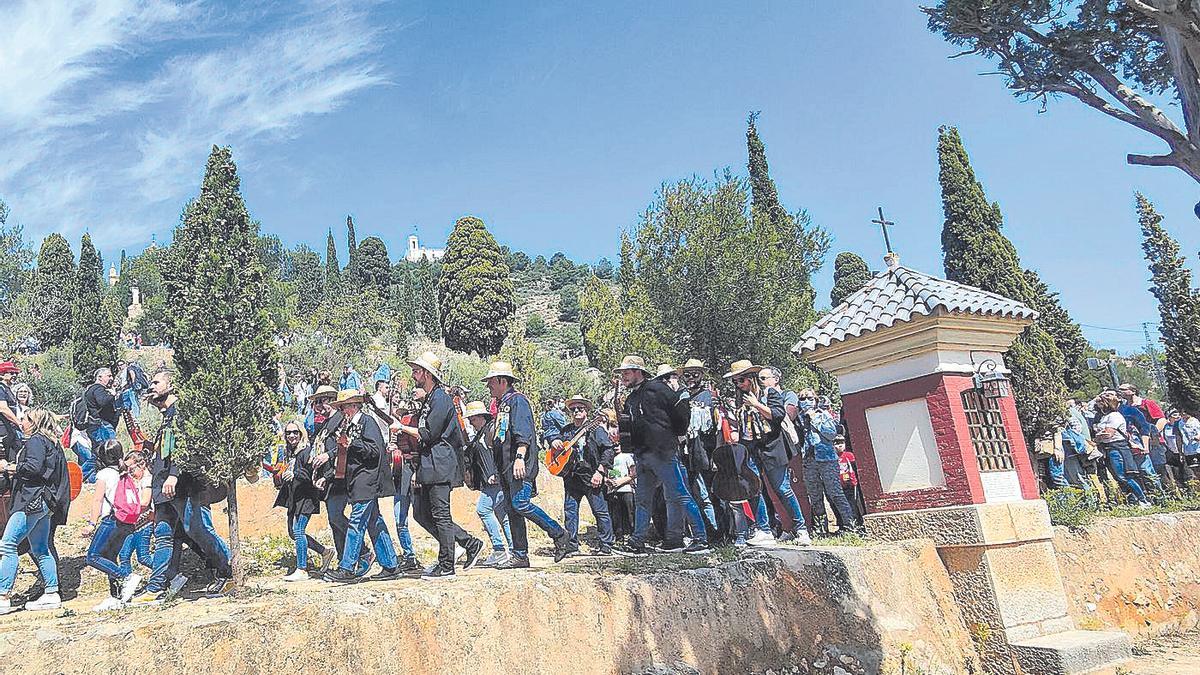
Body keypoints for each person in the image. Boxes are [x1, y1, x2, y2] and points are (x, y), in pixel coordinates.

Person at [131, 370, 234, 606]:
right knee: (165, 535)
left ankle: (228, 571)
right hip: (163, 488)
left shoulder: (181, 414)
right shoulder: (167, 416)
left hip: (183, 486)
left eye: (156, 382)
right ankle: (157, 586)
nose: (152, 387)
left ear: (171, 385)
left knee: (197, 529)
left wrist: (174, 476)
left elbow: (184, 448)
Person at [612, 355, 710, 557]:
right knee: (643, 500)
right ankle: (636, 542)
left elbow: (680, 412)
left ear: (638, 372)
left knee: (680, 495)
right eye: (622, 373)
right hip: (643, 455)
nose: (623, 377)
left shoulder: (657, 388)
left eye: (626, 373)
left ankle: (701, 539)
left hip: (663, 452)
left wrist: (671, 437)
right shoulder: (631, 399)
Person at [396, 352, 483, 579]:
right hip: (429, 464)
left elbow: (429, 433)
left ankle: (447, 564)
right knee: (421, 514)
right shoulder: (430, 400)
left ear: (427, 374)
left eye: (417, 371)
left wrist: (402, 428)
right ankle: (468, 543)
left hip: (440, 464)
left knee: (440, 515)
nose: (414, 375)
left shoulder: (441, 399)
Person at [482, 361, 573, 566]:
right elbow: (501, 439)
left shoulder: (518, 401)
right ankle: (520, 554)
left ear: (502, 381)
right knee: (512, 508)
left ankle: (559, 534)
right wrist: (498, 468)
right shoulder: (503, 404)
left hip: (519, 465)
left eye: (491, 382)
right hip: (506, 466)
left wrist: (520, 457)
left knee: (520, 503)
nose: (488, 386)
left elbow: (523, 432)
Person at [726, 360, 809, 546]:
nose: (738, 384)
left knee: (782, 489)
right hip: (751, 448)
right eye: (735, 381)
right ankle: (764, 529)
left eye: (741, 380)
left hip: (772, 447)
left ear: (751, 378)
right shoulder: (740, 398)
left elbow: (778, 415)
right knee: (754, 488)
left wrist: (756, 404)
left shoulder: (768, 393)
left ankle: (801, 528)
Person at [322, 390, 401, 583]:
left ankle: (347, 567)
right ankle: (391, 566)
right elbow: (344, 449)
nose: (342, 410)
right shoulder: (352, 426)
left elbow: (375, 451)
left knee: (357, 523)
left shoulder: (367, 422)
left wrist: (353, 444)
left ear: (353, 406)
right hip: (358, 481)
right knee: (375, 522)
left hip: (366, 481)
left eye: (344, 407)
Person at [0, 409, 70, 613]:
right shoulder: (52, 442)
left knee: (8, 544)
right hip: (46, 501)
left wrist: (9, 467)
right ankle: (51, 592)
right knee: (40, 547)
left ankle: (3, 595)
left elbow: (33, 468)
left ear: (34, 422)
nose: (21, 422)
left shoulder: (36, 441)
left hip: (31, 500)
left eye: (24, 419)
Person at [84, 442, 151, 611]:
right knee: (109, 557)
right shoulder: (124, 473)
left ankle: (127, 576)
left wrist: (92, 524)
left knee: (93, 556)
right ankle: (116, 596)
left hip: (112, 520)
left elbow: (98, 500)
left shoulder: (104, 474)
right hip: (127, 522)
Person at [553, 394, 616, 556]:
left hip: (591, 475)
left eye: (580, 408)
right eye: (573, 409)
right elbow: (556, 446)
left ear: (587, 411)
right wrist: (554, 442)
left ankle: (606, 545)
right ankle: (572, 545)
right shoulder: (566, 430)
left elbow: (608, 450)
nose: (576, 411)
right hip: (572, 477)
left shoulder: (595, 429)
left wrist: (600, 471)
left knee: (600, 511)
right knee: (570, 511)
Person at [273, 422, 333, 581]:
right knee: (293, 533)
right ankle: (325, 552)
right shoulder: (288, 453)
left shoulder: (306, 451)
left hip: (306, 496)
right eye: (288, 433)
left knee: (298, 530)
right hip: (294, 497)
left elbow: (311, 475)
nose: (291, 435)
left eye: (295, 432)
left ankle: (302, 569)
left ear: (301, 434)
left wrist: (295, 474)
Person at [797, 387, 857, 537]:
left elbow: (831, 433)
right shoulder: (798, 417)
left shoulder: (823, 415)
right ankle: (821, 530)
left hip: (827, 459)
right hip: (808, 461)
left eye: (810, 398)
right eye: (802, 399)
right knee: (815, 497)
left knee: (835, 494)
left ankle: (850, 527)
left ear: (816, 401)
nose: (806, 402)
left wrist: (814, 417)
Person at [463, 400, 512, 567]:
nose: (470, 422)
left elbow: (502, 453)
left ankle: (499, 549)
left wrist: (497, 474)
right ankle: (512, 550)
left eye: (472, 419)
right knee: (501, 514)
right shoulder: (481, 433)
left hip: (495, 481)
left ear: (480, 417)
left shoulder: (490, 430)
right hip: (490, 481)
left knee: (483, 509)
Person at [680, 360, 722, 543]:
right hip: (687, 456)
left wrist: (717, 456)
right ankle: (702, 533)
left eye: (694, 374)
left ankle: (719, 532)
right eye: (687, 375)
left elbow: (720, 429)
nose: (690, 378)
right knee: (694, 496)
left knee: (711, 496)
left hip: (707, 453)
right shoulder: (682, 398)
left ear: (701, 375)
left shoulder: (710, 398)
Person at [1093, 391, 1151, 507]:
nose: (1098, 405)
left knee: (1123, 475)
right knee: (1117, 476)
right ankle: (1132, 501)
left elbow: (1108, 434)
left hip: (1118, 448)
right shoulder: (1104, 417)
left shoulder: (1115, 416)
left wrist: (1098, 436)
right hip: (1109, 448)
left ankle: (1143, 500)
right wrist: (1100, 436)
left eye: (1101, 402)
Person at [711, 418, 759, 547]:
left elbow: (736, 436)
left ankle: (746, 532)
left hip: (740, 468)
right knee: (734, 503)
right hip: (727, 470)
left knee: (741, 501)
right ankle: (739, 534)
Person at [77, 367, 121, 482]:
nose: (111, 378)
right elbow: (102, 401)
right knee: (109, 450)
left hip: (95, 425)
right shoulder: (98, 388)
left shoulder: (90, 389)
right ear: (100, 377)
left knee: (98, 452)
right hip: (102, 425)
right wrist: (112, 395)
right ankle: (85, 475)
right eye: (109, 376)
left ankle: (86, 476)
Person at [604, 409, 636, 541]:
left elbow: (633, 473)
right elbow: (609, 472)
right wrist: (608, 480)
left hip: (626, 489)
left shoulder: (627, 456)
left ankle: (633, 534)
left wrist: (621, 481)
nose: (616, 447)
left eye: (618, 445)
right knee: (616, 514)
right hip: (613, 489)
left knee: (629, 513)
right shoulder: (609, 458)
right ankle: (619, 535)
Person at [834, 436, 866, 529]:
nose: (839, 445)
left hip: (850, 485)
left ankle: (858, 523)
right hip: (839, 486)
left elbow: (854, 469)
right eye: (836, 443)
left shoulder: (849, 456)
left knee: (853, 504)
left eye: (841, 442)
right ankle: (845, 525)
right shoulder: (832, 457)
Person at [0, 363, 22, 462]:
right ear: (2, 374)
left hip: (10, 430)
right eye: (11, 373)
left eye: (15, 373)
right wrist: (18, 422)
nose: (14, 375)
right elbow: (3, 408)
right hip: (3, 430)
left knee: (14, 456)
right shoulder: (1, 388)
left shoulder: (8, 389)